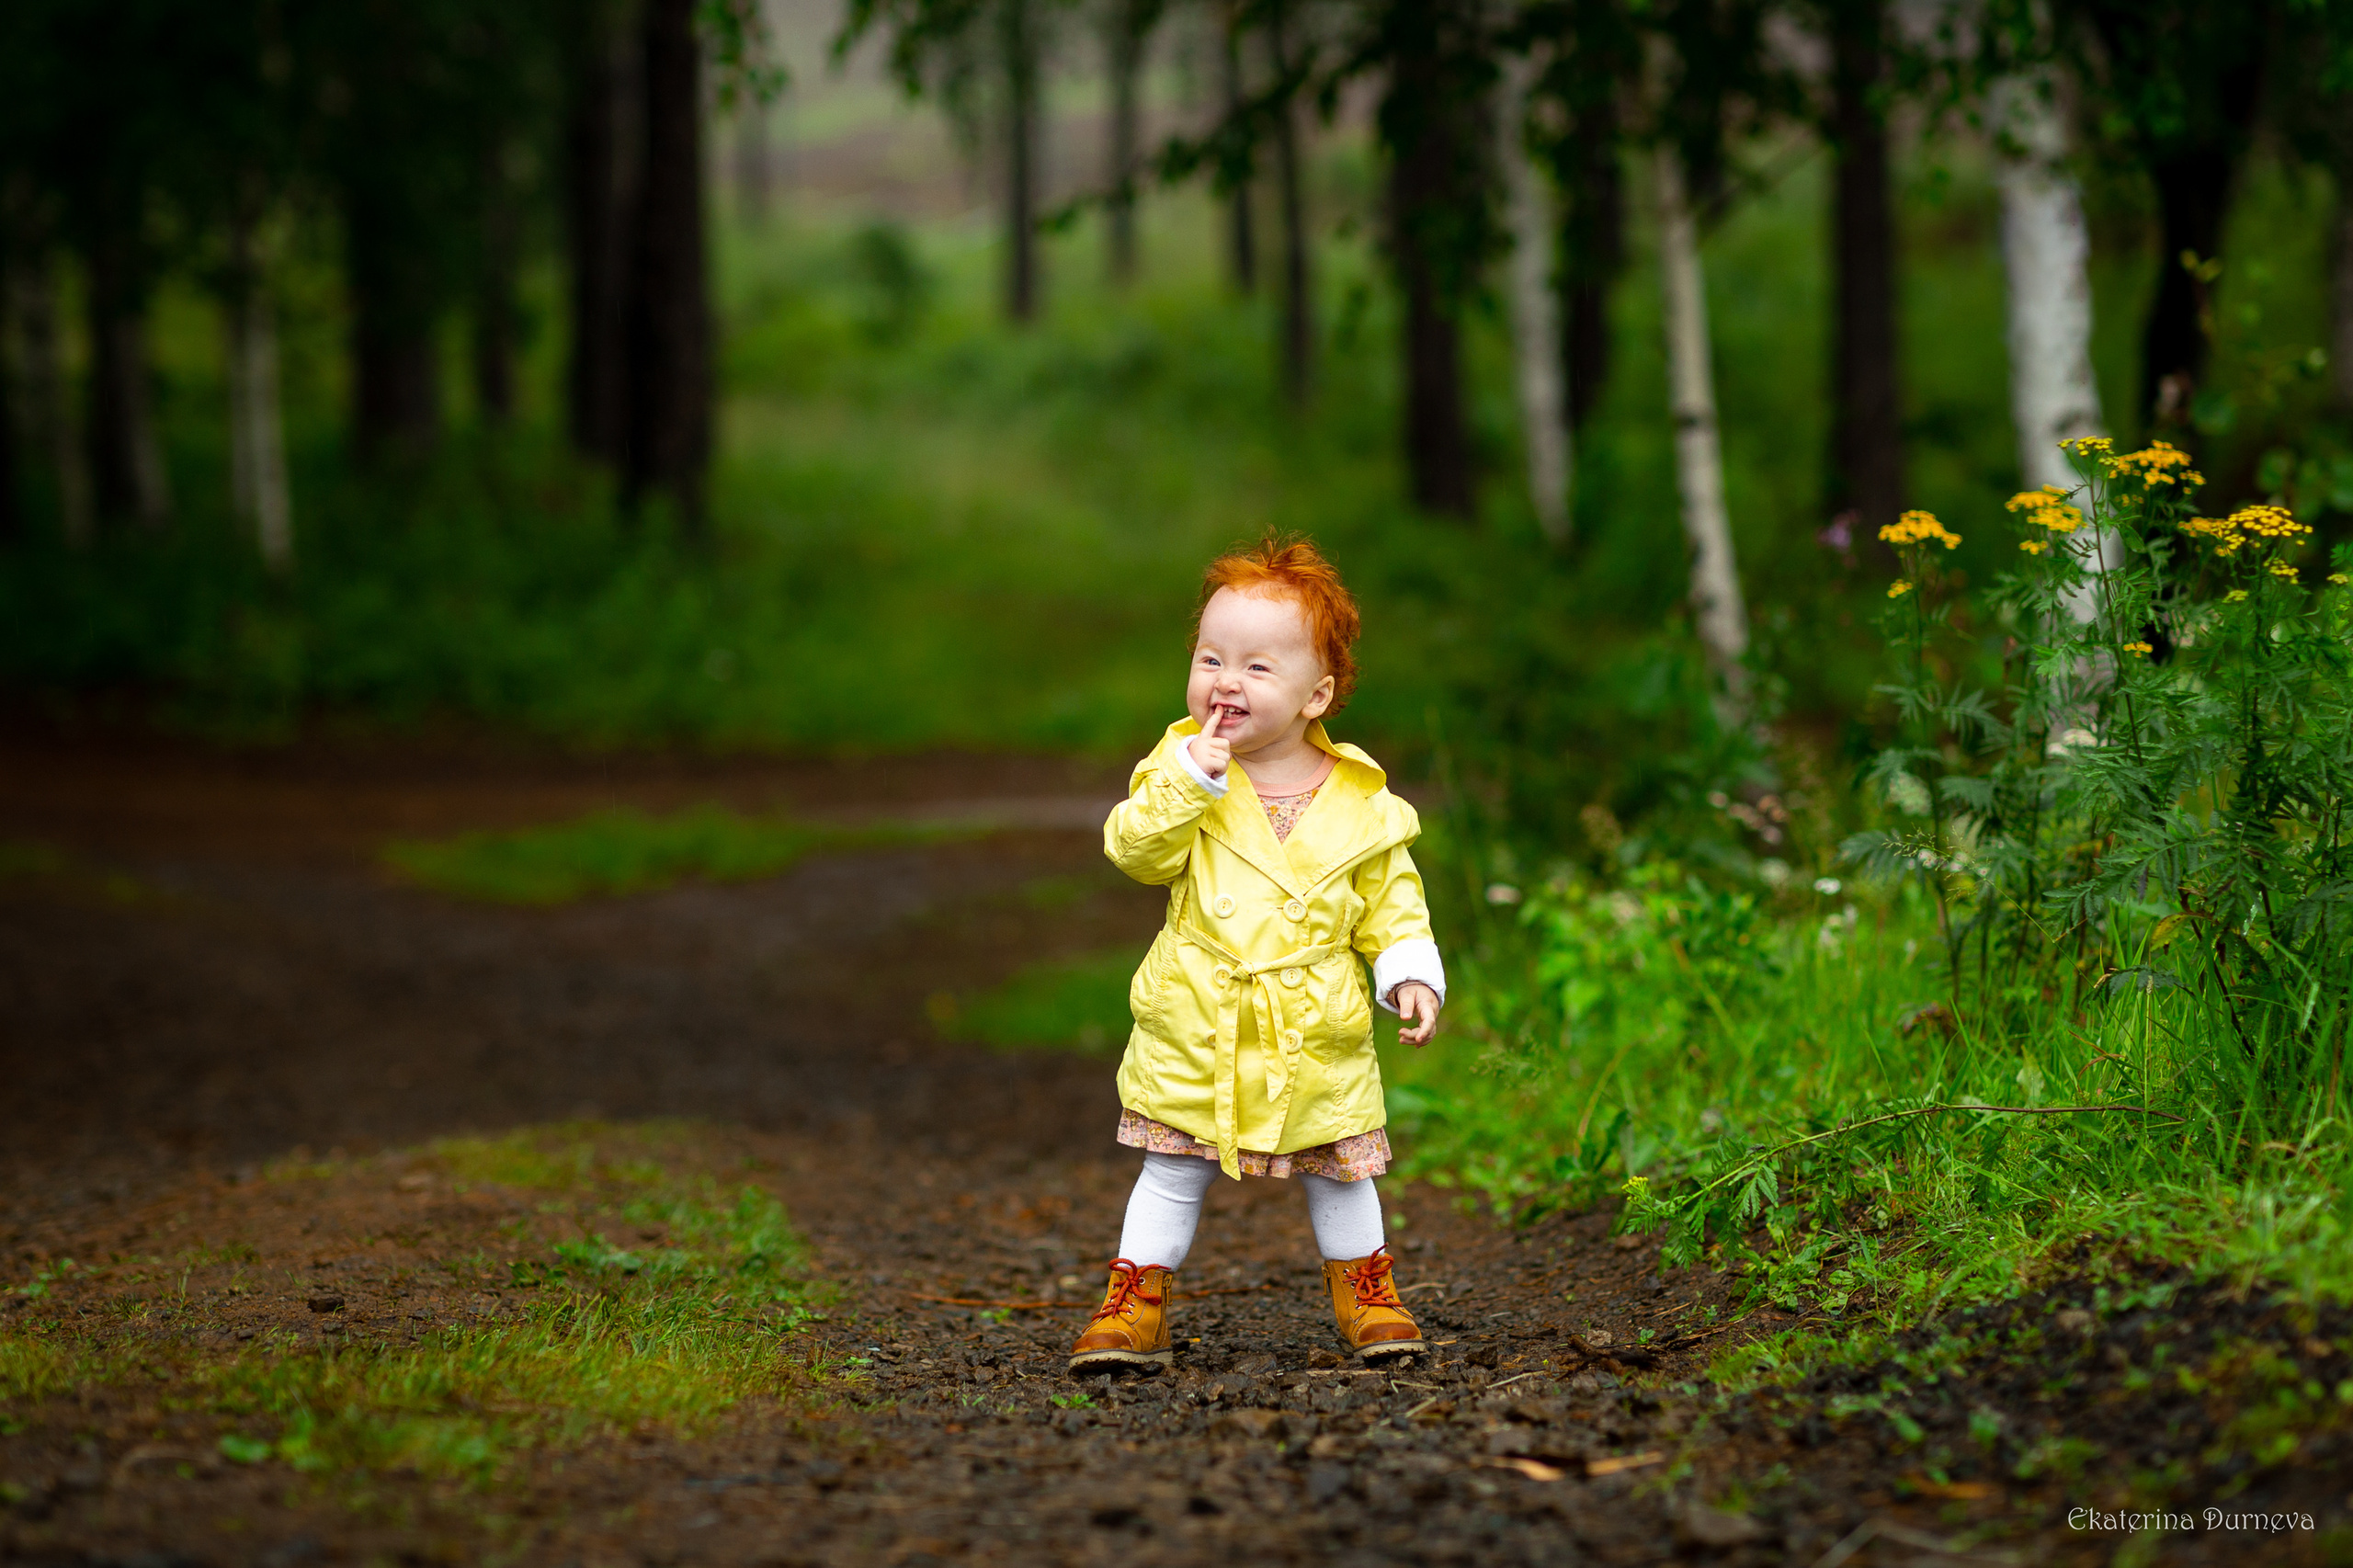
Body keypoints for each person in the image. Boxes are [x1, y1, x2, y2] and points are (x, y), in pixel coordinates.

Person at [1071, 536, 1448, 1372]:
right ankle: (1134, 1302)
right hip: (1200, 1013)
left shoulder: (1363, 803)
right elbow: (1134, 853)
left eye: (1256, 668)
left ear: (1317, 696)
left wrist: (1409, 970)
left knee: (1342, 1169)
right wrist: (1186, 783)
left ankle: (1368, 1293)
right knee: (1171, 1169)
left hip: (1312, 1019)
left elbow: (1391, 901)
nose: (1226, 683)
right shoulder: (1182, 770)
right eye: (1211, 659)